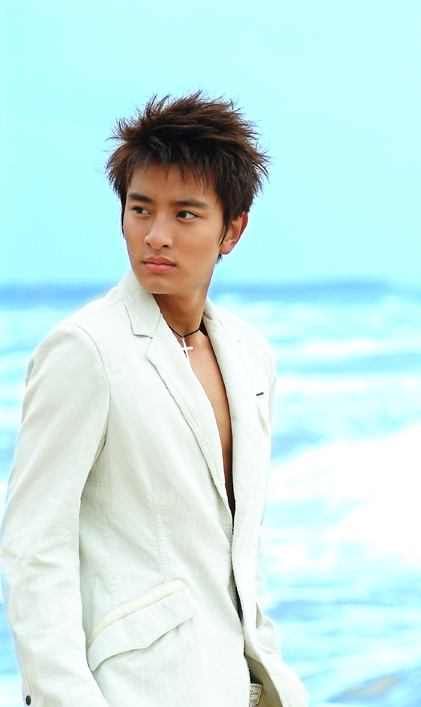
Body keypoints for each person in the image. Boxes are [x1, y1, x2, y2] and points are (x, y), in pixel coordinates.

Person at [0, 93, 309, 707]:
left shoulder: (251, 356)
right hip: (129, 689)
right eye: (140, 209)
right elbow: (35, 545)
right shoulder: (86, 350)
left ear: (232, 230)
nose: (156, 236)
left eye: (185, 214)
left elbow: (237, 548)